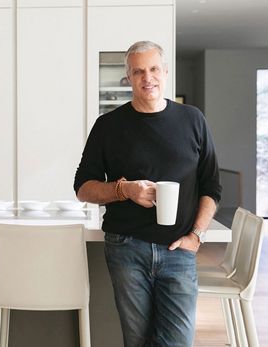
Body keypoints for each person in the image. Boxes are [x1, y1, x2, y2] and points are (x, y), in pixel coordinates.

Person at [73, 41, 221, 346]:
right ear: (128, 78)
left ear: (165, 72)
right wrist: (123, 190)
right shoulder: (108, 126)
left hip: (178, 249)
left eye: (153, 69)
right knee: (137, 340)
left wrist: (196, 235)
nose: (147, 77)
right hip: (126, 247)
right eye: (138, 71)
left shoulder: (193, 120)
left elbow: (211, 187)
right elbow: (83, 188)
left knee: (178, 341)